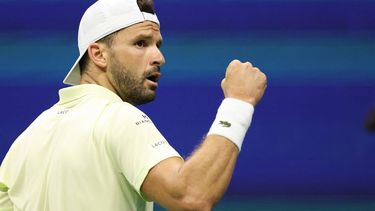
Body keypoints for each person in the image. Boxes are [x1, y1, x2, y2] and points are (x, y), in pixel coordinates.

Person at [0, 0, 267, 210]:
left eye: (157, 45)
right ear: (98, 54)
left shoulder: (25, 141)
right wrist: (238, 103)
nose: (159, 57)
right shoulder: (118, 119)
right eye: (141, 43)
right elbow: (191, 195)